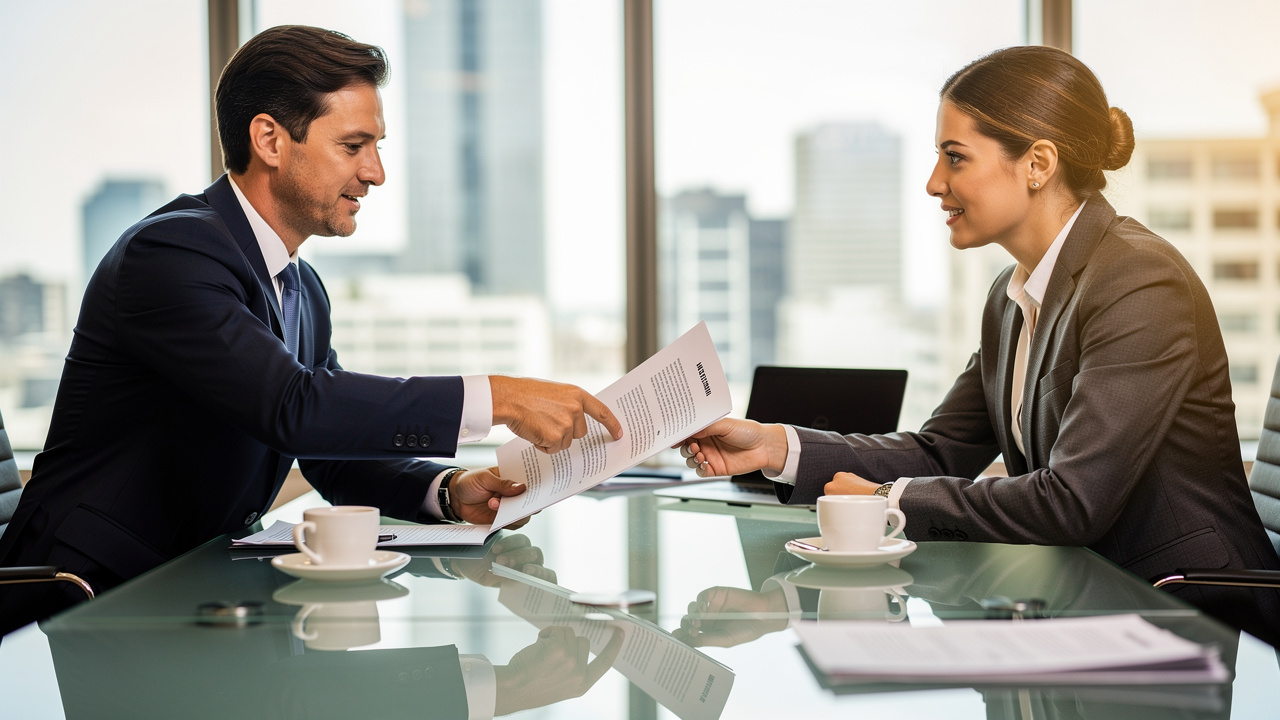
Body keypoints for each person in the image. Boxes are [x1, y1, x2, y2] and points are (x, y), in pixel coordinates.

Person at [0, 25, 622, 635]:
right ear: (269, 139)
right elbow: (292, 408)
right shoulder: (170, 254)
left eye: (377, 146)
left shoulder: (301, 287)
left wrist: (450, 491)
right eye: (353, 147)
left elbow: (325, 445)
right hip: (86, 600)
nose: (376, 173)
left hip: (196, 593)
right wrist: (501, 398)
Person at [679, 45, 1280, 641]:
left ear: (1037, 163)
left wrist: (889, 499)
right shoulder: (1010, 296)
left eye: (955, 157)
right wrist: (772, 445)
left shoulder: (1139, 280)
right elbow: (941, 454)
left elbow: (1072, 502)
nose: (934, 183)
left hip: (1179, 608)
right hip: (1078, 602)